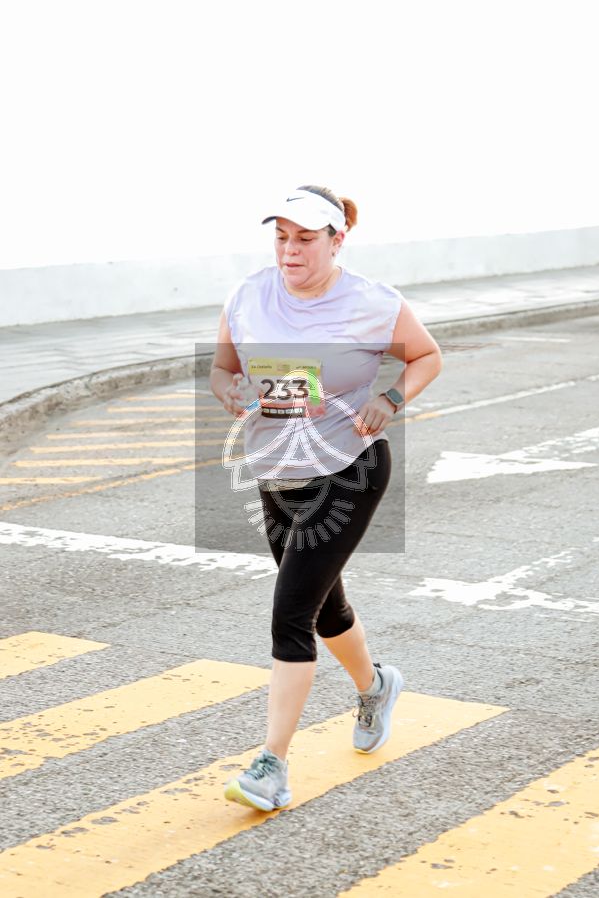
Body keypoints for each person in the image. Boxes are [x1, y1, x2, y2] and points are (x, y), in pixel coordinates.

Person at [210, 185, 442, 812]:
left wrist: (390, 399)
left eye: (306, 239)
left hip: (349, 469)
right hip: (276, 471)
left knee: (291, 611)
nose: (290, 250)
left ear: (337, 241)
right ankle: (376, 686)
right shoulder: (247, 295)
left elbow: (426, 356)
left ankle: (271, 767)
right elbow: (222, 370)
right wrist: (229, 391)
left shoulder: (373, 302)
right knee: (322, 607)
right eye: (282, 236)